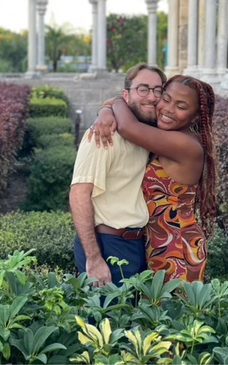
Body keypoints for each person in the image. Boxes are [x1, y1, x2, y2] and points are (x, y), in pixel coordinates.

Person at [90, 75, 217, 282]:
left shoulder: (185, 145)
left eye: (181, 106)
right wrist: (106, 109)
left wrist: (116, 102)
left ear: (195, 117)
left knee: (171, 304)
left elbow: (128, 127)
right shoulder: (166, 135)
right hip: (160, 243)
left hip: (177, 248)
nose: (168, 109)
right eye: (166, 99)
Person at [70, 63, 167, 287]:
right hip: (108, 245)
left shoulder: (145, 134)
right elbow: (79, 195)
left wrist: (106, 107)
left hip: (138, 244)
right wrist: (94, 259)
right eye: (143, 89)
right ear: (126, 95)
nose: (152, 97)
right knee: (107, 310)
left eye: (158, 90)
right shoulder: (104, 135)